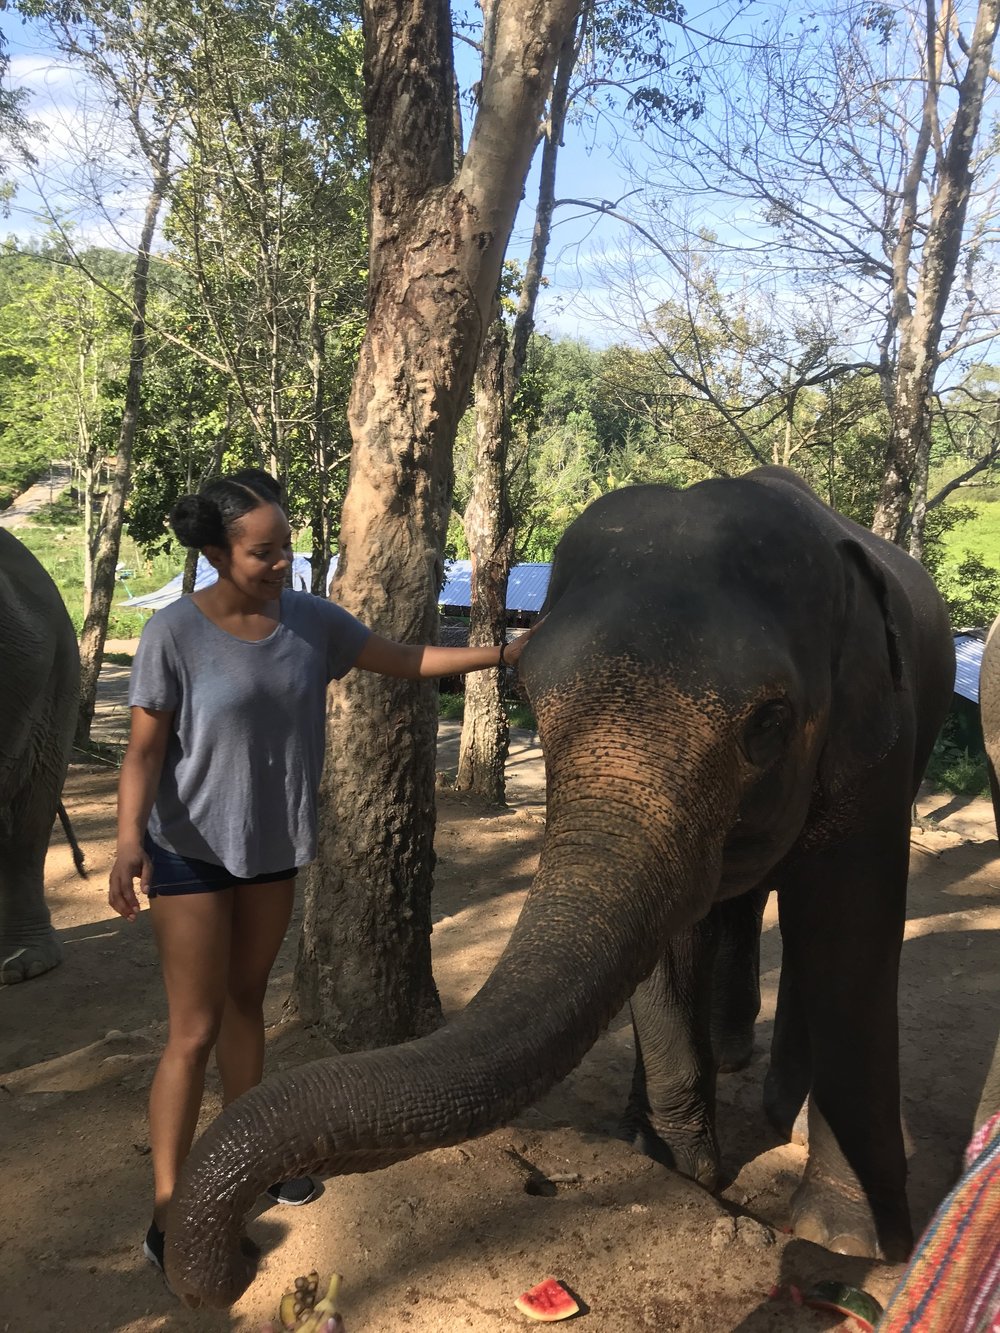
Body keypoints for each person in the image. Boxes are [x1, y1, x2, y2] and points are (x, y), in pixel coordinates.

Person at [108, 469, 539, 1277]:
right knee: (192, 1028)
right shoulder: (174, 633)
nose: (281, 566)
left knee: (246, 1006)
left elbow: (406, 657)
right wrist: (129, 839)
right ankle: (170, 1206)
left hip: (273, 848)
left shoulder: (309, 621)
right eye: (262, 553)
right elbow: (143, 750)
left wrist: (505, 652)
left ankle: (249, 1165)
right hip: (187, 849)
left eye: (287, 549)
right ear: (216, 551)